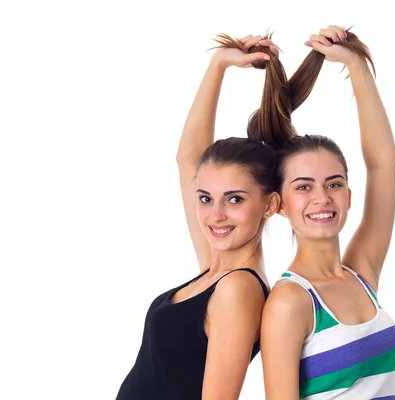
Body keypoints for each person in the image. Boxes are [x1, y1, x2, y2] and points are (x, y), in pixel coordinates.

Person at [115, 34, 281, 400]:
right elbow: (189, 157)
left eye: (234, 199)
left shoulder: (237, 289)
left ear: (270, 205)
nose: (215, 214)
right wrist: (218, 65)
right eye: (205, 198)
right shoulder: (215, 267)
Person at [258, 26, 395, 399]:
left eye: (334, 184)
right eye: (303, 187)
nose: (322, 197)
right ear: (279, 206)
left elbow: (384, 165)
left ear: (349, 196)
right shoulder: (291, 301)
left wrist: (356, 65)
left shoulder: (362, 274)